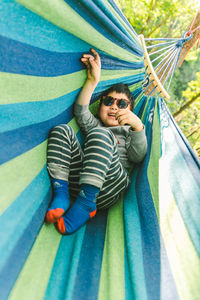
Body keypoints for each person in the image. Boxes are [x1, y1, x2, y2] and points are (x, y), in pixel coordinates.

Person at [45, 49, 147, 235]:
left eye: (122, 104)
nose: (114, 106)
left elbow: (138, 156)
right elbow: (81, 111)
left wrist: (137, 126)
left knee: (101, 134)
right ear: (100, 107)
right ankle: (61, 192)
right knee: (62, 130)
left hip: (108, 187)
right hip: (77, 181)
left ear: (130, 111)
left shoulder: (129, 131)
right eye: (108, 101)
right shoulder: (95, 125)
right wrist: (93, 81)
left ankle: (86, 204)